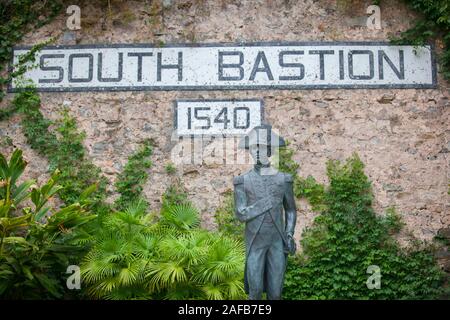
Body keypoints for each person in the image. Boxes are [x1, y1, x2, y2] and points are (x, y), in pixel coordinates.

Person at [233, 123, 297, 300]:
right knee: (255, 292)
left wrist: (290, 234)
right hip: (255, 244)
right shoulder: (242, 181)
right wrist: (266, 202)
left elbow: (290, 210)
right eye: (254, 148)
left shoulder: (284, 180)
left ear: (269, 151)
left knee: (275, 293)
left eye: (261, 148)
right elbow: (241, 213)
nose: (257, 152)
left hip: (277, 243)